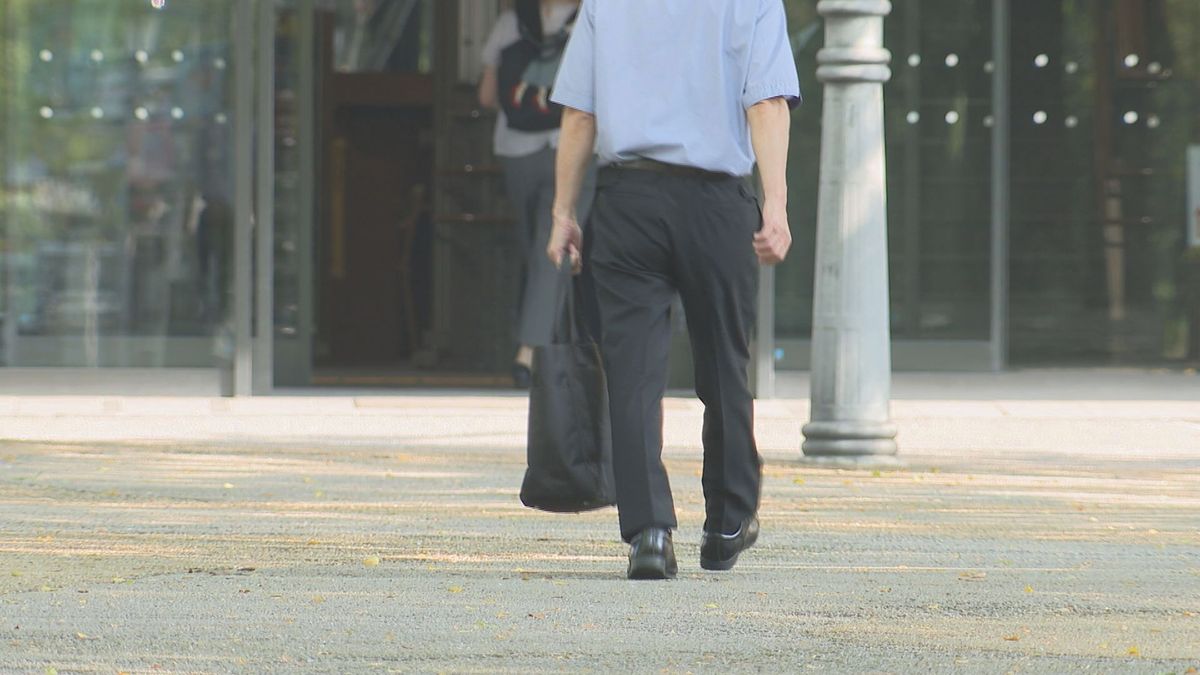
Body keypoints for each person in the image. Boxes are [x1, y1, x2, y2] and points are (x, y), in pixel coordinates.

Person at [547, 0, 800, 579]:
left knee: (633, 375)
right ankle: (728, 521)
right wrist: (777, 203)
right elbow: (766, 101)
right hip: (716, 205)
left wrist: (564, 211)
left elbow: (579, 115)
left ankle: (650, 534)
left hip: (627, 200)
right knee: (724, 365)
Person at [478, 0, 592, 388]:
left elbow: (487, 97)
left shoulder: (511, 23)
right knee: (552, 251)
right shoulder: (593, 19)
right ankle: (535, 350)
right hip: (572, 149)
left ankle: (533, 346)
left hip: (516, 150)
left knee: (535, 249)